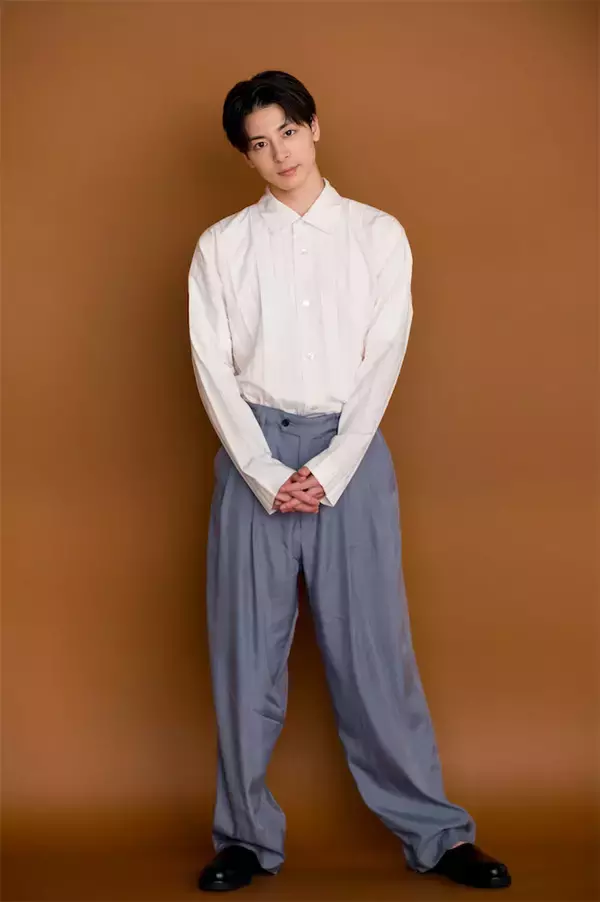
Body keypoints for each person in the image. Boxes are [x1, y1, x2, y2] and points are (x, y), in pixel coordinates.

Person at [188, 70, 511, 893]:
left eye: (289, 132)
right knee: (244, 657)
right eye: (260, 144)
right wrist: (264, 470)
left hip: (352, 451)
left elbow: (382, 360)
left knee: (374, 654)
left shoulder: (377, 235)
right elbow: (212, 370)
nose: (280, 154)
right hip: (252, 453)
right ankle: (243, 838)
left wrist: (330, 467)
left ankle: (436, 834)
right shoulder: (221, 246)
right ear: (246, 156)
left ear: (315, 127)